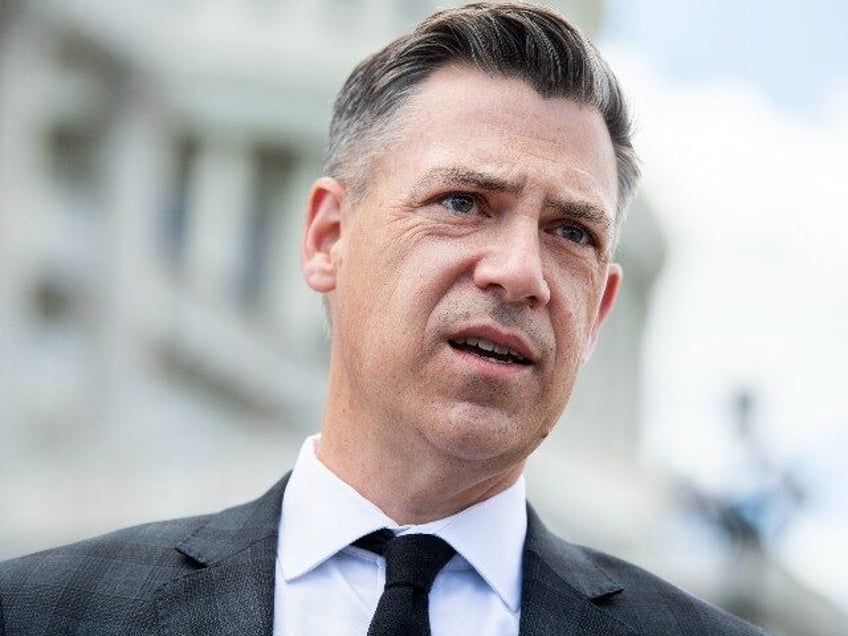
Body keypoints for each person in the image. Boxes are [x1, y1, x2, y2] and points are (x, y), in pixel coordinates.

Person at [0, 3, 769, 635]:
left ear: (600, 311)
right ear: (328, 239)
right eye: (463, 203)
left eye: (571, 232)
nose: (521, 273)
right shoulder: (42, 613)